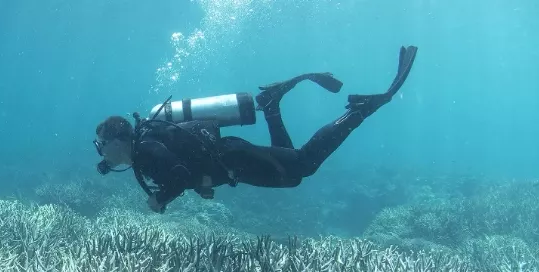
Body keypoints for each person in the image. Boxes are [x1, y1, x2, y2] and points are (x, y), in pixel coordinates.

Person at [94, 46, 418, 213]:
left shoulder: (146, 150)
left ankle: (358, 113)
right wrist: (201, 183)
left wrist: (160, 200)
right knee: (292, 169)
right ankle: (272, 105)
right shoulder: (145, 146)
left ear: (117, 140)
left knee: (302, 166)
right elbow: (185, 167)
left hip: (234, 158)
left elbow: (177, 174)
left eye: (101, 146)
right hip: (230, 157)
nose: (101, 153)